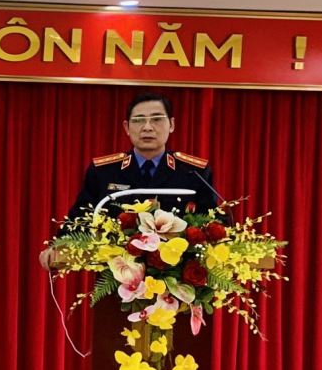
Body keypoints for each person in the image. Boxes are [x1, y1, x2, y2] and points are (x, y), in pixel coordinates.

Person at [40, 91, 219, 267]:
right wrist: (58, 248)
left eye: (156, 119)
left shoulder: (193, 172)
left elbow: (213, 223)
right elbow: (80, 218)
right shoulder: (104, 171)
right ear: (126, 127)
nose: (147, 127)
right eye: (138, 120)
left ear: (171, 124)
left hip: (178, 276)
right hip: (117, 275)